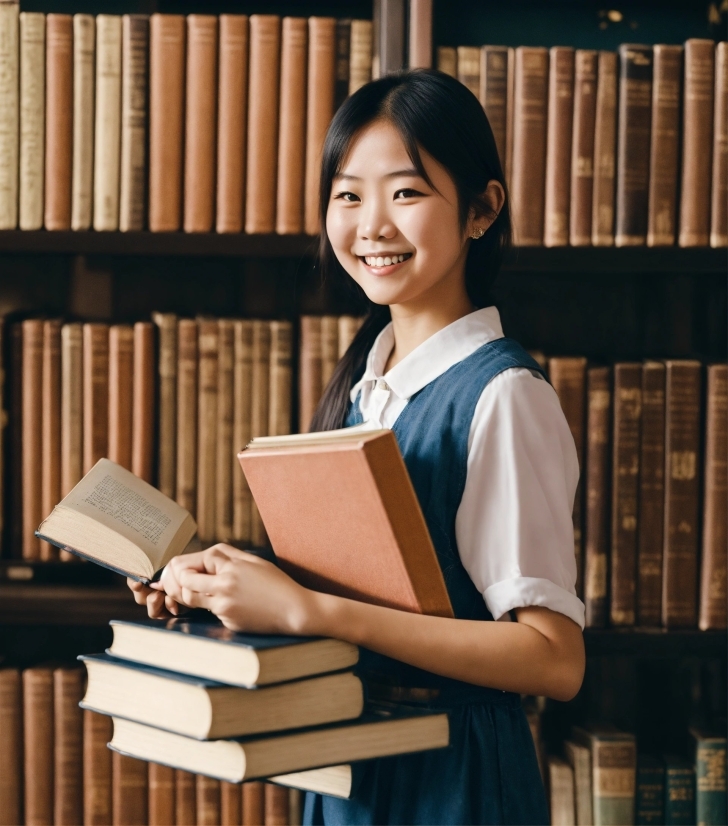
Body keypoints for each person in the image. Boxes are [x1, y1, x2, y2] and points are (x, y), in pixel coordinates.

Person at [129, 69, 585, 826]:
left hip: (452, 783)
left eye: (406, 193)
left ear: (482, 210)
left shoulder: (504, 395)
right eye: (348, 195)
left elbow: (553, 659)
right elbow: (365, 591)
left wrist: (313, 613)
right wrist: (225, 591)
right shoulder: (365, 382)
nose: (371, 224)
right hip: (356, 768)